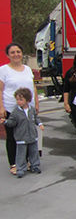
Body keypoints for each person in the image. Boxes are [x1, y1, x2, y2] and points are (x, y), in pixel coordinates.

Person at [0, 43, 39, 175]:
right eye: (13, 52)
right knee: (13, 137)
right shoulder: (3, 70)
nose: (16, 54)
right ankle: (14, 163)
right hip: (12, 109)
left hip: (28, 109)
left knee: (28, 136)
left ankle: (27, 161)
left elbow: (33, 88)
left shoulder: (27, 69)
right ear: (8, 55)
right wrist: (1, 107)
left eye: (18, 51)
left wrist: (36, 104)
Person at [0, 88, 44, 178]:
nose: (18, 102)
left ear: (28, 100)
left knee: (34, 152)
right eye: (17, 100)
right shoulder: (16, 112)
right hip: (21, 137)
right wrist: (5, 122)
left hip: (32, 136)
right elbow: (12, 122)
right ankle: (20, 169)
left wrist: (40, 124)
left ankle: (35, 165)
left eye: (21, 99)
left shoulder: (31, 110)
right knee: (21, 154)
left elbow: (36, 118)